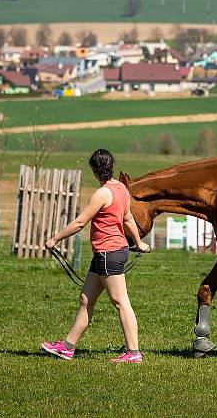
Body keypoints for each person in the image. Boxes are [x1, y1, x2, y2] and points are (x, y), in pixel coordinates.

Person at [41, 149, 150, 363]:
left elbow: (81, 222)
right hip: (105, 254)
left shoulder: (102, 194)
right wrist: (138, 243)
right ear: (111, 165)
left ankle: (133, 353)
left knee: (121, 302)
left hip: (109, 254)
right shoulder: (121, 189)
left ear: (94, 170)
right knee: (86, 299)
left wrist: (55, 239)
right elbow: (128, 219)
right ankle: (67, 348)